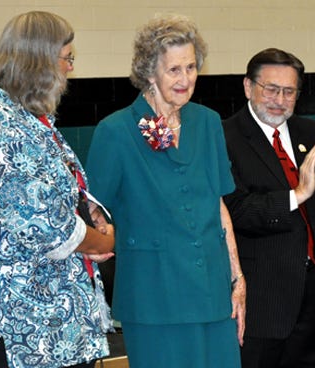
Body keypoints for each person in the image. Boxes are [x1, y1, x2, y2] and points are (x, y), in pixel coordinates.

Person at [85, 14, 245, 368]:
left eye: (191, 67)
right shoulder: (115, 131)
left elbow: (218, 204)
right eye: (174, 69)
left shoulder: (207, 122)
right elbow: (94, 213)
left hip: (212, 291)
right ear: (149, 72)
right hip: (155, 295)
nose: (185, 79)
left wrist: (237, 277)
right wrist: (99, 241)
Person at [0, 11, 116, 368]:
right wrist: (106, 243)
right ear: (40, 60)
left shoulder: (28, 117)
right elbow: (47, 228)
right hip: (21, 331)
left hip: (51, 326)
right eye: (67, 58)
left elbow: (65, 183)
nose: (69, 69)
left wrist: (93, 213)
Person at [222, 48, 315, 368]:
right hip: (262, 298)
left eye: (289, 91)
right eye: (270, 89)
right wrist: (298, 194)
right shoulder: (224, 137)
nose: (279, 99)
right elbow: (236, 212)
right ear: (247, 86)